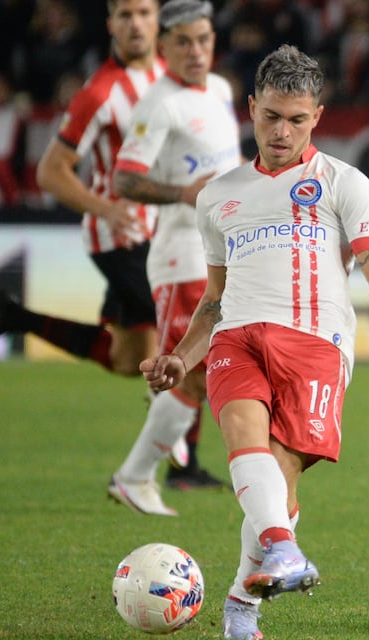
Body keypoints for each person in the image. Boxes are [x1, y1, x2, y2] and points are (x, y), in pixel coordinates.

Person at [141, 44, 369, 640]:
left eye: (297, 120)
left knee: (277, 485)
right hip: (235, 338)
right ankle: (280, 553)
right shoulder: (216, 196)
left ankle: (240, 600)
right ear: (251, 108)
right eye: (272, 116)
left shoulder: (344, 184)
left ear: (317, 117)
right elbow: (215, 297)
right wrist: (181, 355)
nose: (282, 131)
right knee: (244, 444)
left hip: (316, 345)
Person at [0, 0, 163, 379]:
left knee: (128, 359)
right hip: (123, 236)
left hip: (158, 229)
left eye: (144, 13)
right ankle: (178, 437)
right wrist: (105, 209)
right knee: (183, 334)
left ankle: (15, 316)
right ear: (111, 24)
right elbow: (51, 172)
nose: (136, 24)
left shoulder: (168, 76)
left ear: (158, 21)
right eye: (126, 15)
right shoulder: (100, 93)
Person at [106, 0, 240, 515]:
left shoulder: (222, 91)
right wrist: (183, 193)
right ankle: (135, 476)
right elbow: (124, 179)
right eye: (183, 42)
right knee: (196, 372)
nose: (196, 51)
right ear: (163, 47)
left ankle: (139, 475)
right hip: (182, 255)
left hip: (226, 252)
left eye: (203, 39)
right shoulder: (159, 104)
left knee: (207, 371)